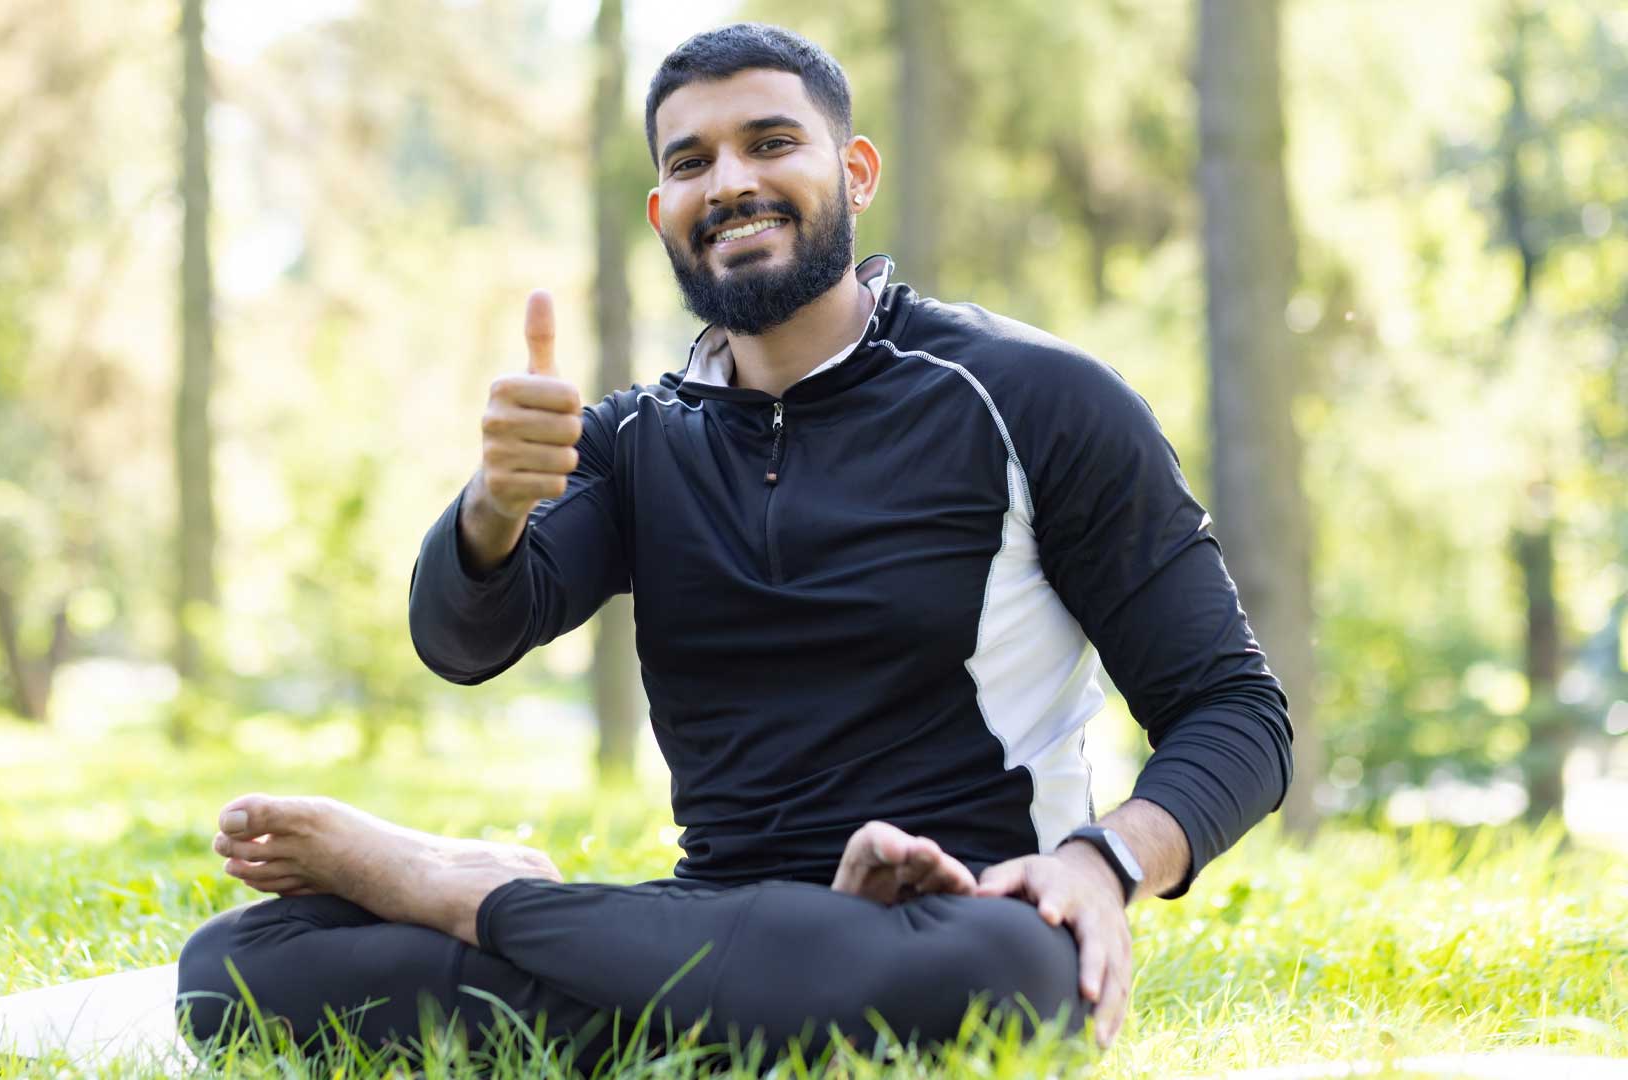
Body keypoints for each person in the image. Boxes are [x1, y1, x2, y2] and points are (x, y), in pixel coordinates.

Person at [175, 21, 1293, 1068]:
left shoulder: (1036, 399)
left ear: (854, 173)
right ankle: (706, 991)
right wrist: (492, 508)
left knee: (1008, 979)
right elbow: (464, 639)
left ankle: (460, 893)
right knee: (234, 971)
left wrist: (1098, 866)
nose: (733, 184)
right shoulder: (631, 439)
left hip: (959, 911)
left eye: (770, 144)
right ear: (663, 209)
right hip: (717, 917)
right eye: (693, 162)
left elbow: (1236, 712)